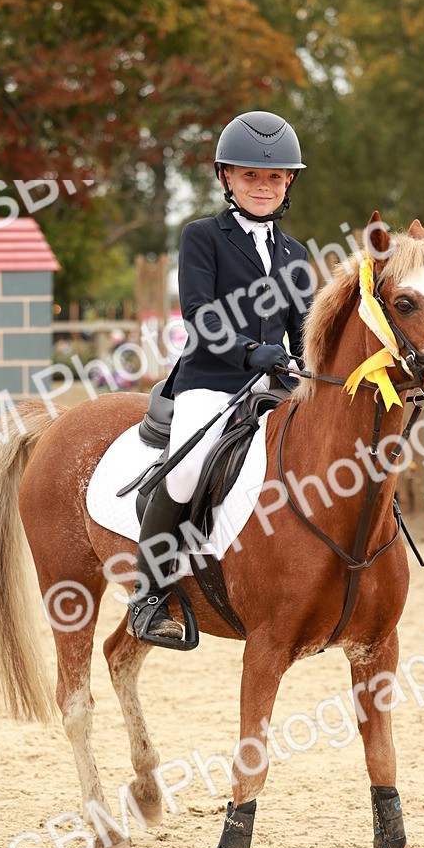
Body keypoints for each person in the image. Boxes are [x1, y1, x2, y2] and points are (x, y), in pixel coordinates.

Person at [127, 110, 311, 645]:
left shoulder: (295, 253)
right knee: (186, 472)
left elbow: (304, 330)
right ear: (227, 177)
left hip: (276, 383)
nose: (263, 186)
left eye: (273, 177)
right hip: (210, 380)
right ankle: (148, 597)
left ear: (288, 182)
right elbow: (201, 318)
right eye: (250, 175)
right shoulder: (202, 236)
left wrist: (311, 366)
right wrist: (252, 353)